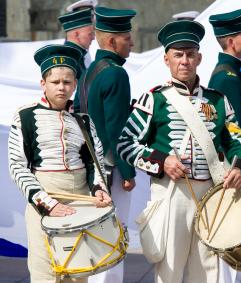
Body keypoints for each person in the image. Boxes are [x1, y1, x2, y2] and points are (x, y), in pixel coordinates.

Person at [117, 20, 241, 283]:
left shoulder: (217, 100)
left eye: (190, 55)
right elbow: (125, 143)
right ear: (166, 59)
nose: (185, 61)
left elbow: (238, 139)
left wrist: (239, 166)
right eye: (178, 55)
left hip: (213, 193)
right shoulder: (154, 99)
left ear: (199, 58)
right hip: (171, 193)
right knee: (169, 268)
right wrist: (161, 161)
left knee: (209, 270)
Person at [7, 44, 111, 283]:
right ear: (43, 83)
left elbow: (95, 161)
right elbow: (17, 165)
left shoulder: (83, 120)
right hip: (43, 198)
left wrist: (99, 190)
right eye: (55, 82)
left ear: (75, 84)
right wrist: (47, 203)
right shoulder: (25, 116)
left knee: (78, 269)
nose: (62, 87)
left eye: (67, 82)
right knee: (45, 270)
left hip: (81, 199)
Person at [74, 6, 137, 283]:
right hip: (111, 169)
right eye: (127, 37)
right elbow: (116, 128)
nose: (132, 42)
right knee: (114, 236)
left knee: (97, 239)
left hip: (91, 167)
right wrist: (128, 170)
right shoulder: (115, 74)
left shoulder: (90, 72)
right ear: (112, 41)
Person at [208, 9, 241, 165]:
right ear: (230, 42)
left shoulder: (230, 72)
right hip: (234, 163)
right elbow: (233, 128)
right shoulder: (226, 78)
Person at [58, 7, 95, 73]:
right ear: (76, 35)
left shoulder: (77, 56)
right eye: (90, 34)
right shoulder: (69, 59)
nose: (93, 38)